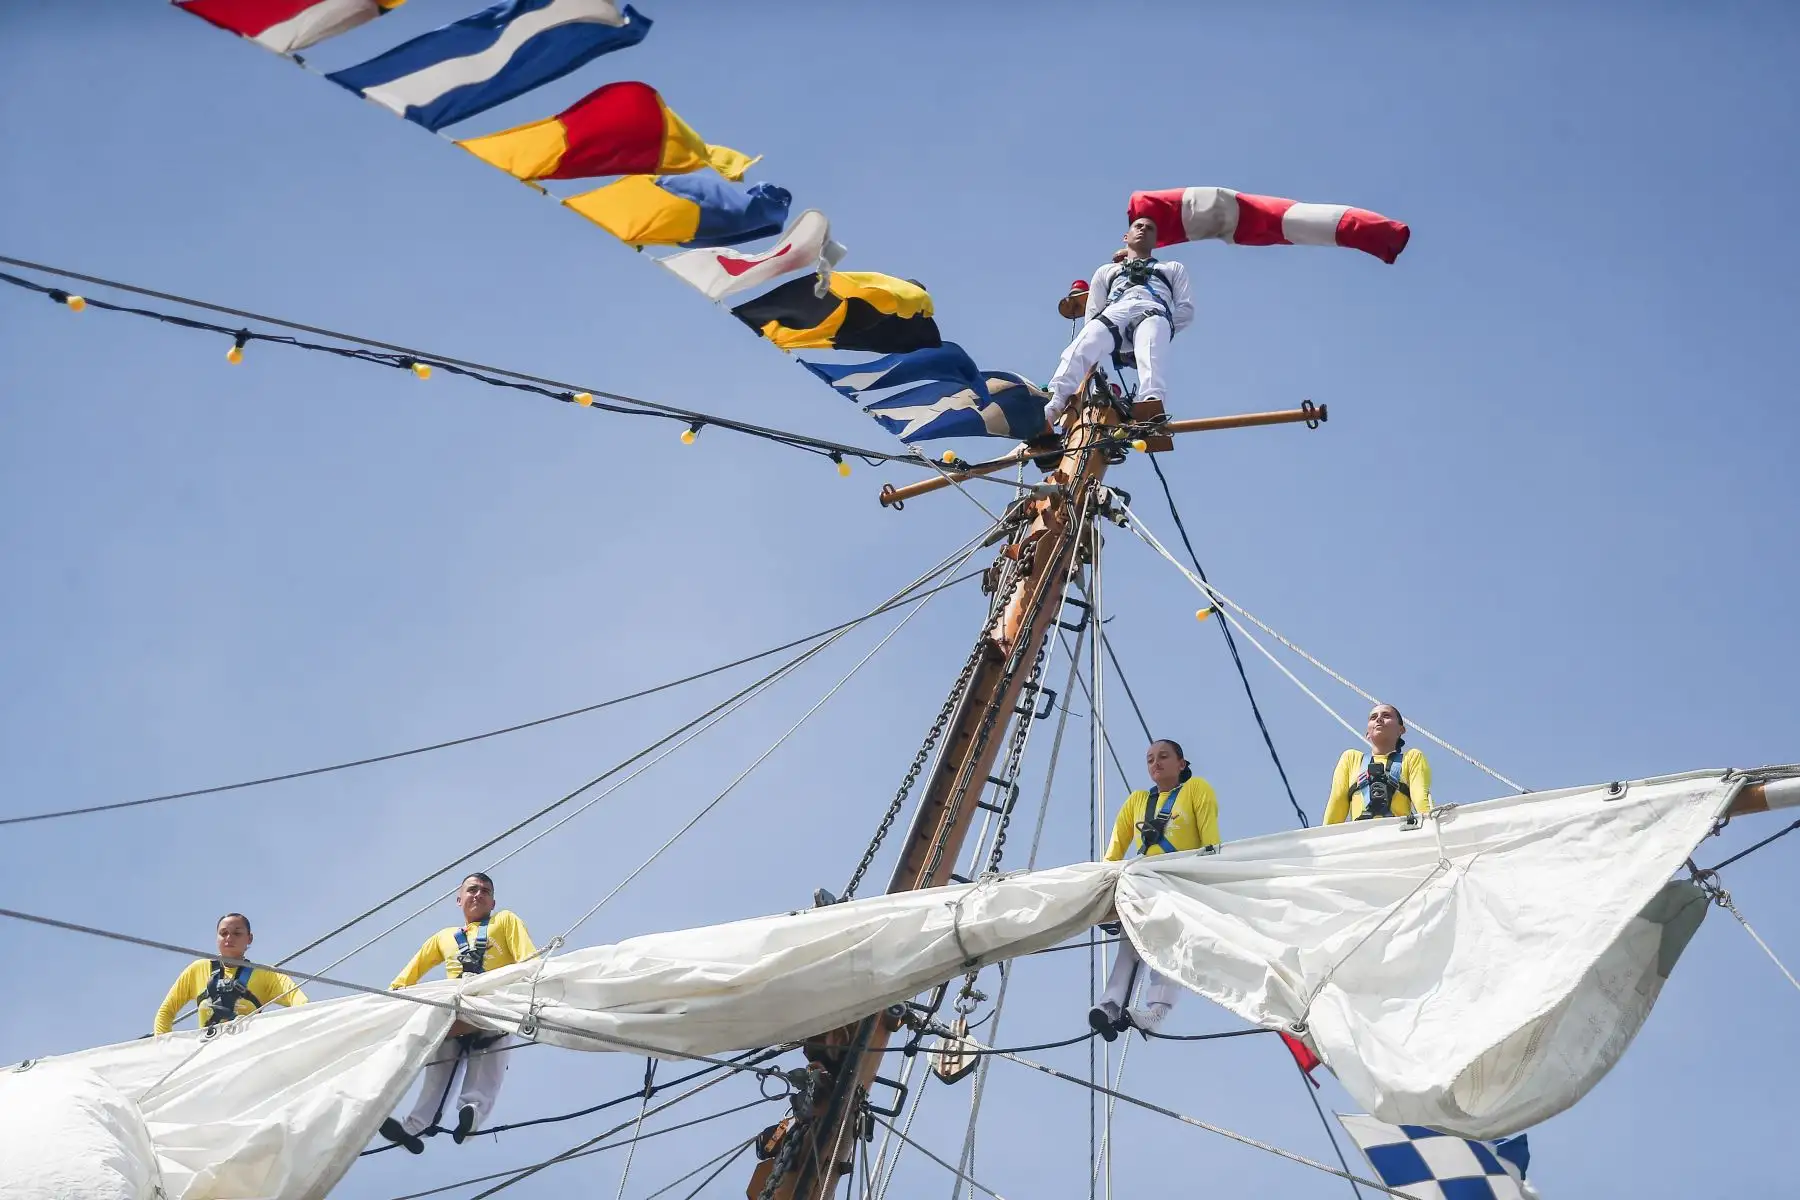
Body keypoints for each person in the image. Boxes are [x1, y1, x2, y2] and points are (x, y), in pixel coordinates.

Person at [378, 872, 536, 1154]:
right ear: (459, 899)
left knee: (487, 1064)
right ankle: (414, 1126)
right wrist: (397, 999)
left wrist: (527, 993)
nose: (478, 894)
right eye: (472, 890)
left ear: (493, 901)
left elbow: (529, 960)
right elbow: (405, 979)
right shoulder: (444, 938)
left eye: (485, 891)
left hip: (491, 1003)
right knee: (438, 1072)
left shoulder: (505, 921)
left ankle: (471, 1113)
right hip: (454, 1007)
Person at [1088, 739, 1219, 1039]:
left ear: (1181, 764)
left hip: (1178, 879)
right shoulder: (1136, 801)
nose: (1155, 763)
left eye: (1163, 757)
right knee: (1129, 947)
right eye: (1149, 759)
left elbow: (1211, 842)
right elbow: (1113, 854)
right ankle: (1109, 1007)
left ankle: (1157, 1011)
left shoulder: (1196, 789)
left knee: (1169, 945)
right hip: (1142, 881)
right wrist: (1105, 892)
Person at [1044, 215, 1194, 425]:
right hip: (1115, 312)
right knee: (1080, 347)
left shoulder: (1172, 268)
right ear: (1126, 236)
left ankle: (1151, 402)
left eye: (1149, 228)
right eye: (1138, 226)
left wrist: (1166, 326)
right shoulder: (1106, 271)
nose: (1143, 230)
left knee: (1151, 355)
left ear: (1156, 241)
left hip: (1152, 311)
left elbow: (1186, 309)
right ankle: (1053, 403)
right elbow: (1093, 310)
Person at [153, 912, 308, 1035]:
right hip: (206, 1058)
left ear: (250, 938)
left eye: (237, 933)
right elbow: (165, 1012)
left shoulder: (266, 974)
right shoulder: (197, 970)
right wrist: (165, 1050)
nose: (229, 938)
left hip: (247, 1056)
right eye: (223, 933)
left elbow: (301, 1004)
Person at [1324, 703, 1433, 824]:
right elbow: (1336, 801)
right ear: (1367, 734)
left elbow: (1420, 798)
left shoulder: (1412, 757)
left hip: (1400, 834)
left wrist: (1431, 824)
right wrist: (1323, 838)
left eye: (1386, 715)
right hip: (1359, 835)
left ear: (1401, 730)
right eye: (1373, 717)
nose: (1379, 719)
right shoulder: (1351, 759)